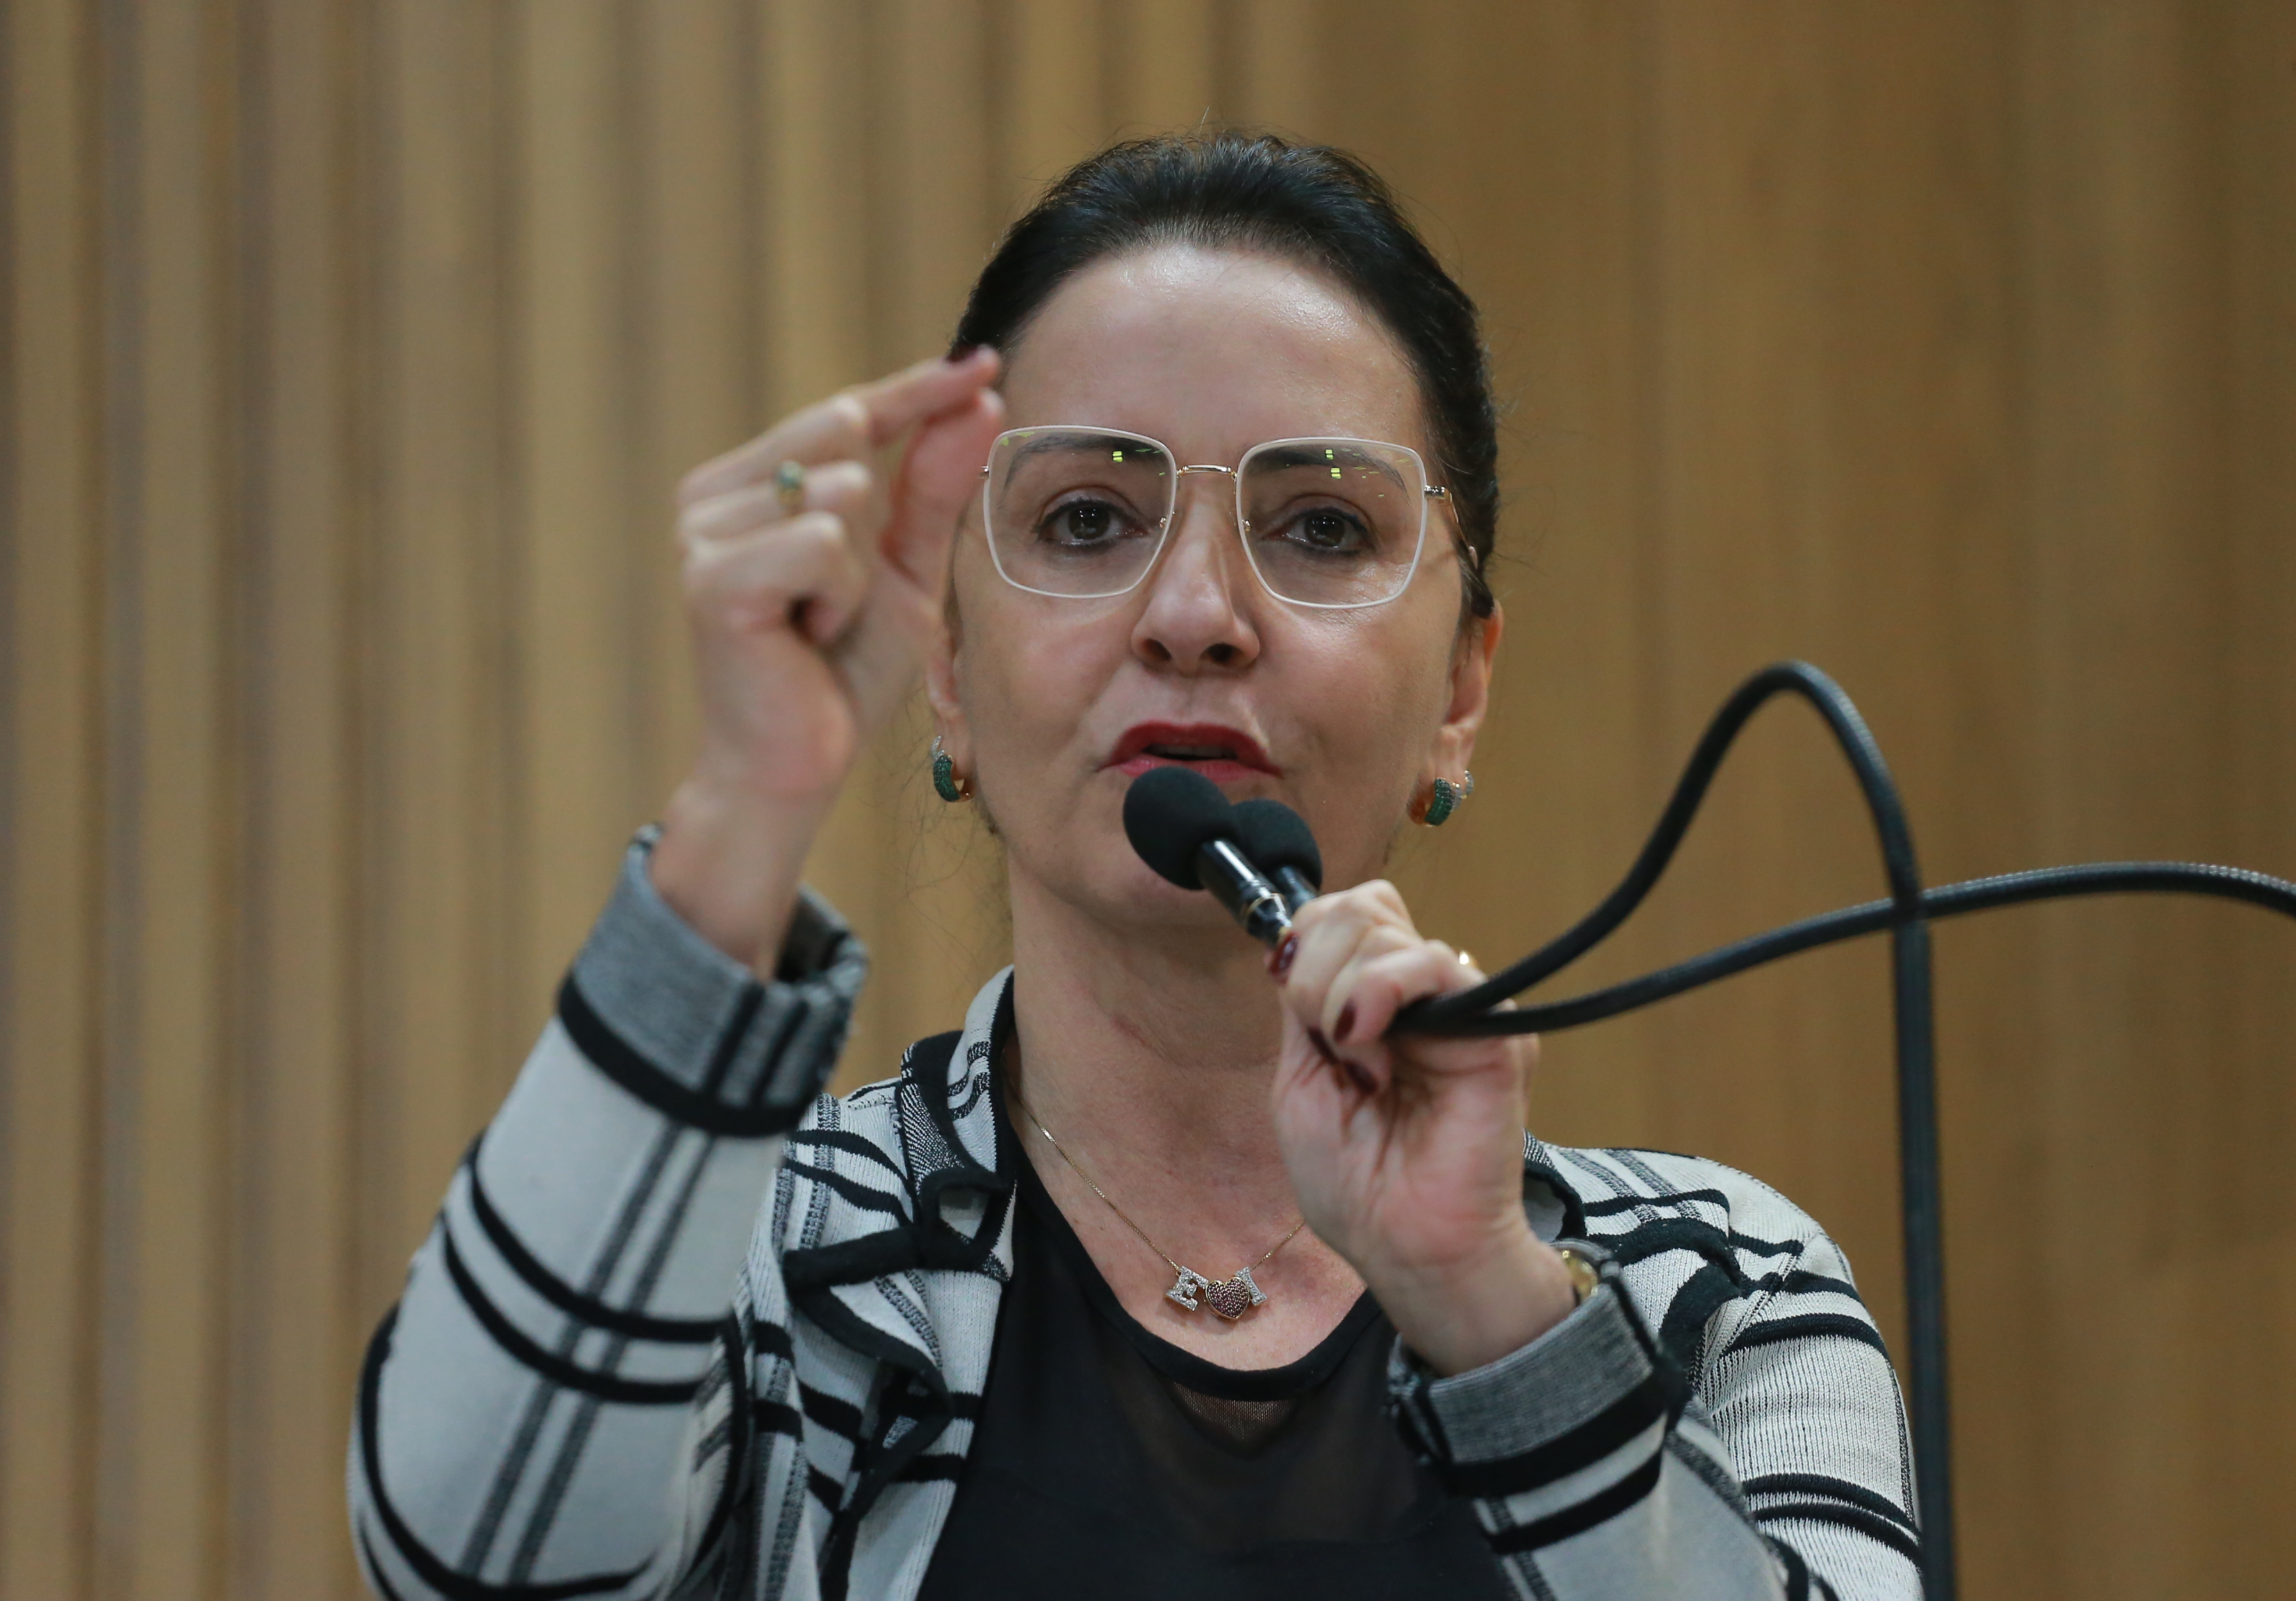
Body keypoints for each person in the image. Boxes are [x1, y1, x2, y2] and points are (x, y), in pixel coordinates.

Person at [349, 132, 1921, 1601]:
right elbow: (471, 1560)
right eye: (1090, 518)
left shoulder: (1716, 1286)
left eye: (1320, 528)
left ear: (1461, 691)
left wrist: (1496, 1314)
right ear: (949, 666)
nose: (1195, 614)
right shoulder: (765, 1264)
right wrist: (745, 809)